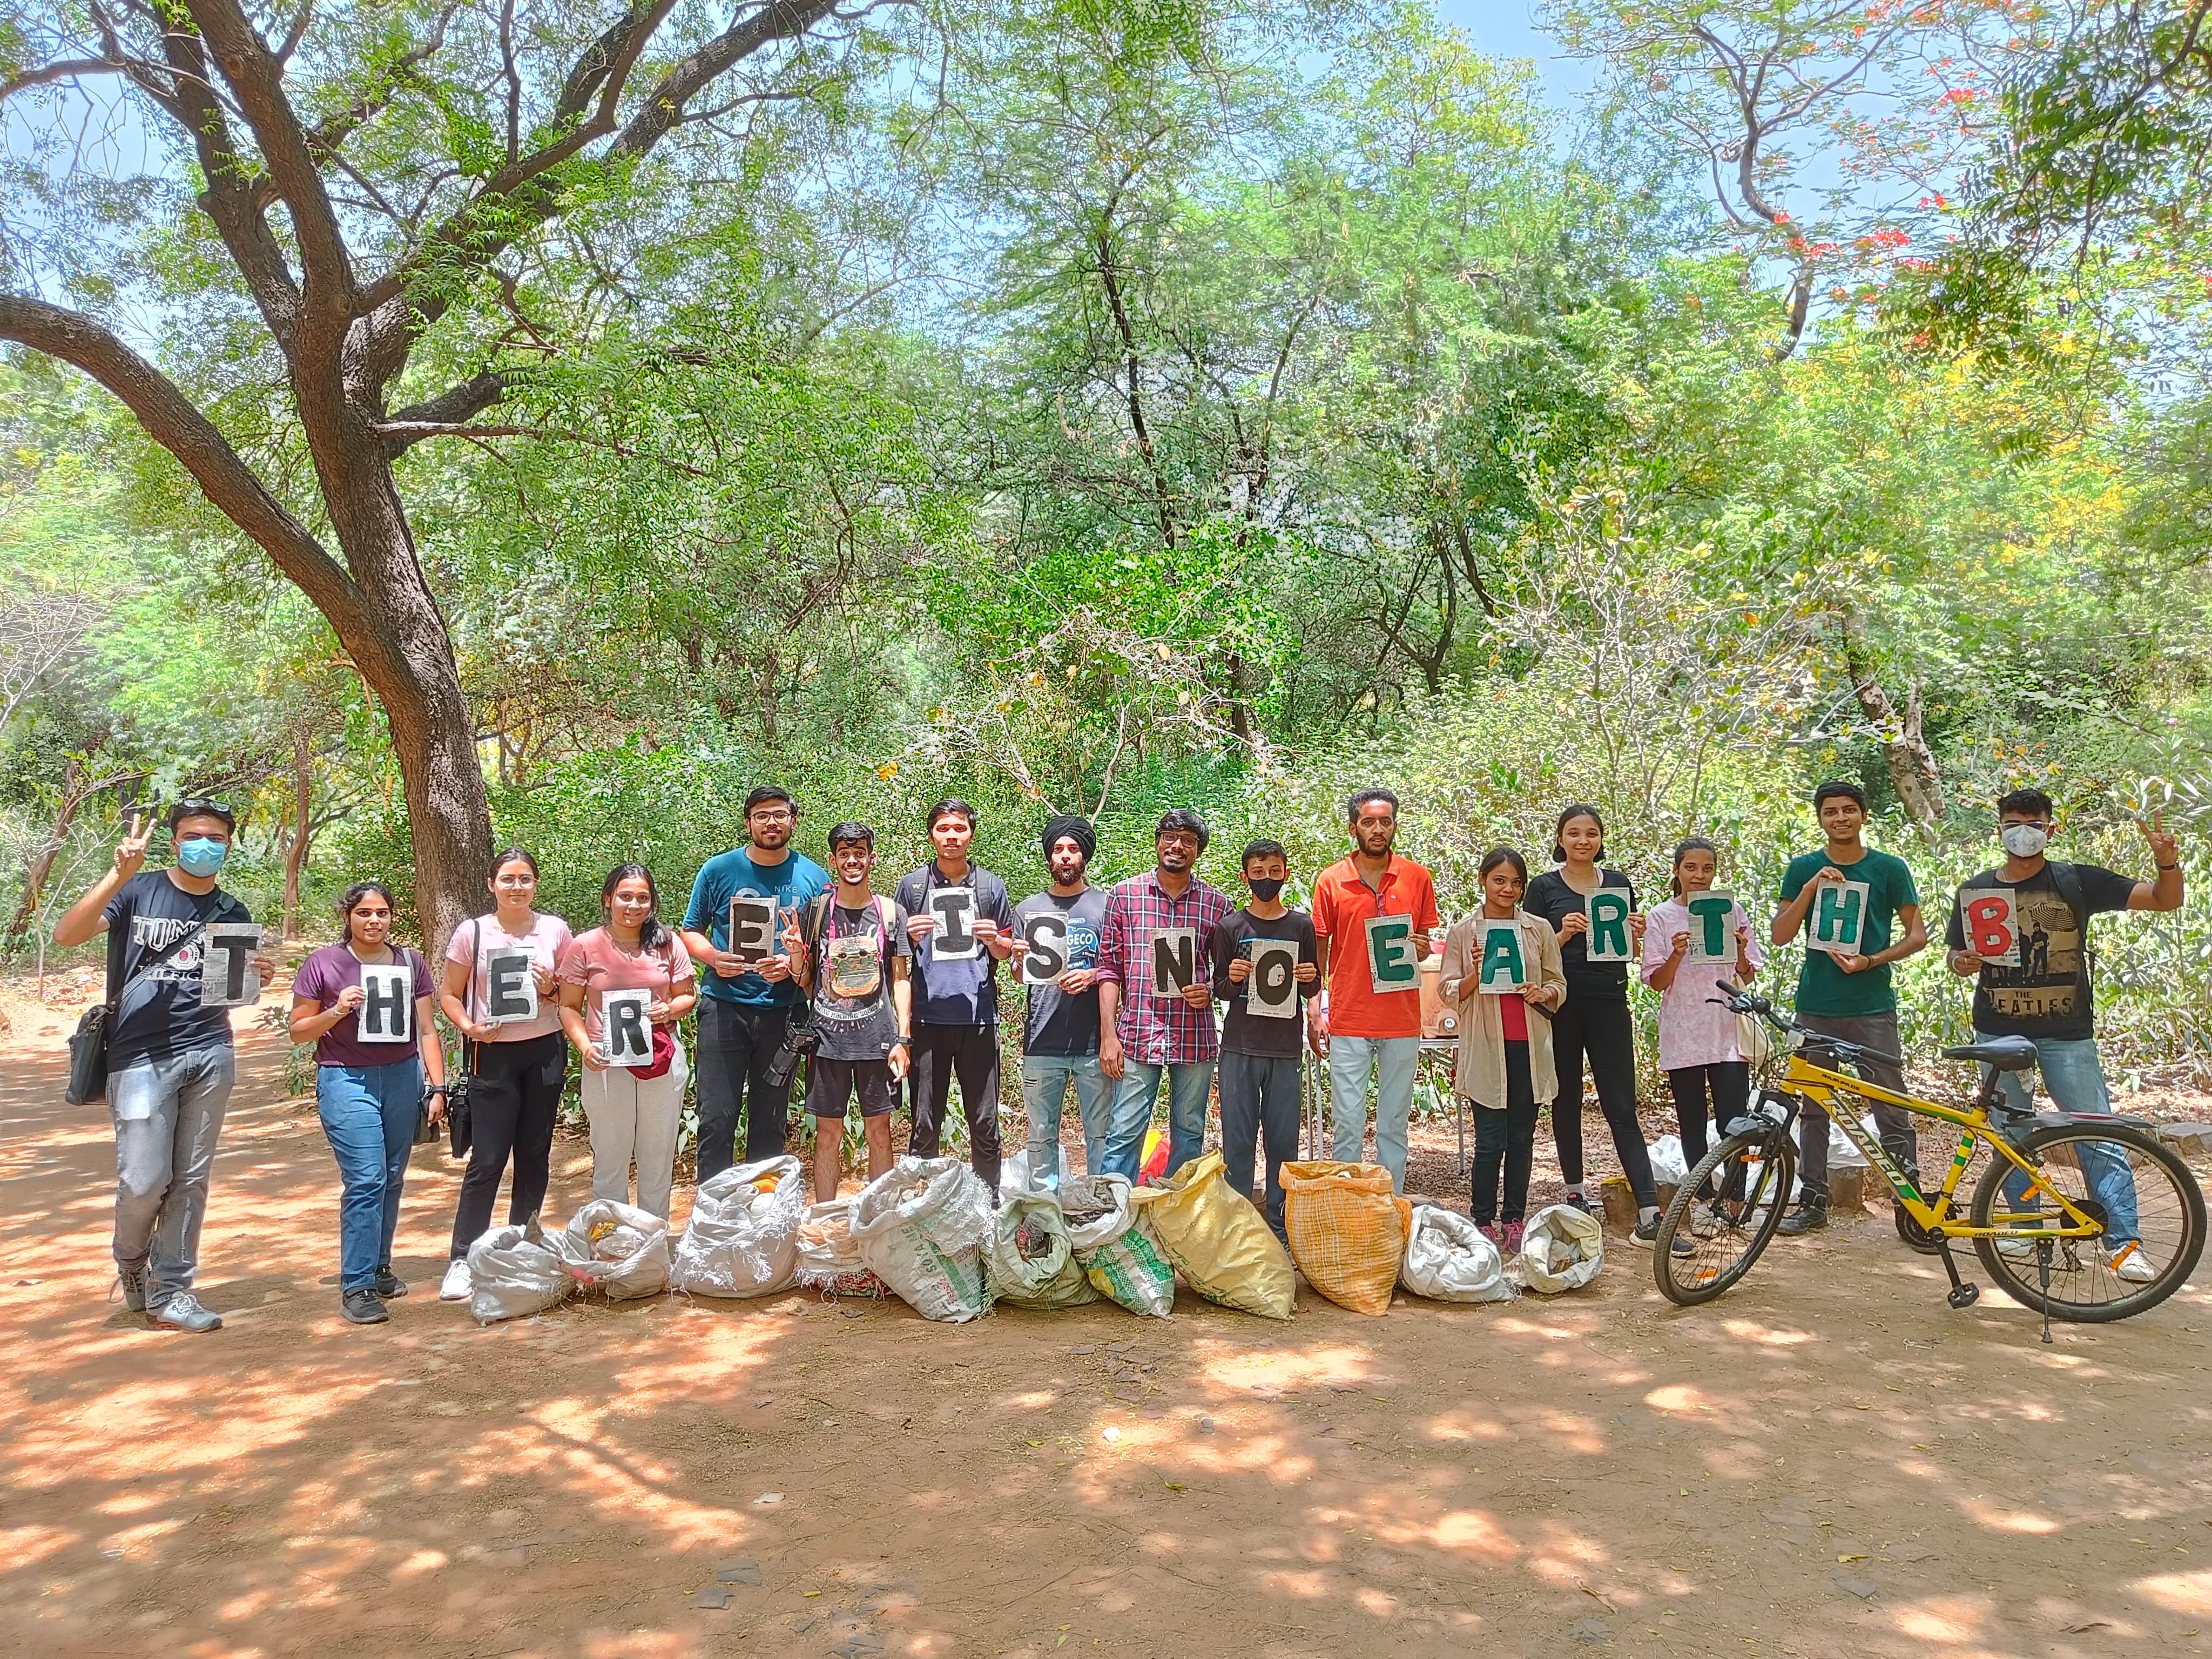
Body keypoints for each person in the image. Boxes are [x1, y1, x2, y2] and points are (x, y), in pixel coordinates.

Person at [52, 799, 275, 1333]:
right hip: (138, 1057)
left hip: (210, 1051)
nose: (205, 844)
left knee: (191, 1180)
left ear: (227, 844)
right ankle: (131, 1261)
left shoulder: (232, 912)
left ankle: (171, 1289)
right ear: (175, 842)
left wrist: (256, 976)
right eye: (194, 835)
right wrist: (117, 873)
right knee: (144, 1179)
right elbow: (67, 935)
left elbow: (229, 992)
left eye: (216, 837)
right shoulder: (138, 889)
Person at [1945, 791, 2185, 1283]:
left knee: (2099, 1135)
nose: (2023, 832)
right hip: (1997, 1031)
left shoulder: (2079, 881)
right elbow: (1957, 956)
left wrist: (2168, 864)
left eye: (2033, 823)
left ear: (2050, 830)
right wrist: (1961, 963)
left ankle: (2123, 1243)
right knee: (2011, 1137)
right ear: (2000, 830)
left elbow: (2167, 901)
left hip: (2067, 1034)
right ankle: (2025, 1225)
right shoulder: (1976, 890)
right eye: (2013, 823)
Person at [1770, 780, 1929, 1235]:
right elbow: (1781, 934)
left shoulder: (1889, 868)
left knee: (1889, 1104)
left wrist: (1870, 961)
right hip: (1816, 1003)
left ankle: (1911, 1204)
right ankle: (1813, 1199)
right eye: (1830, 812)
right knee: (1814, 1106)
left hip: (1872, 1004)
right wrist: (1810, 888)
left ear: (1863, 816)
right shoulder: (1804, 867)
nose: (1840, 818)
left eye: (1848, 810)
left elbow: (1917, 936)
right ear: (1819, 819)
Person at [288, 882, 446, 1324]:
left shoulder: (409, 962)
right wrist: (337, 1010)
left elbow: (428, 1030)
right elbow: (299, 1031)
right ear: (348, 917)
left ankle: (379, 1266)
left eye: (382, 912)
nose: (374, 921)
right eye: (364, 913)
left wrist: (438, 1087)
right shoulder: (324, 963)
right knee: (366, 1177)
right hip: (345, 1077)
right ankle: (355, 1286)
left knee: (392, 1177)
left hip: (402, 1076)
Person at [436, 847, 573, 1299]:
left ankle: (522, 1245)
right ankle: (462, 1258)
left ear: (536, 884)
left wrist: (551, 985)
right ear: (492, 884)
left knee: (534, 1155)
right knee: (489, 1158)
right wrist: (469, 1027)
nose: (517, 887)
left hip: (545, 1051)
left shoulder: (554, 929)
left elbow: (571, 993)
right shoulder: (471, 932)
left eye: (526, 879)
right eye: (508, 879)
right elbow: (450, 994)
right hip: (491, 1054)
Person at [682, 786, 831, 1183]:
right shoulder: (718, 870)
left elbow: (824, 948)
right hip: (724, 1007)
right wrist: (714, 958)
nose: (771, 823)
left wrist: (794, 962)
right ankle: (713, 1212)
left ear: (793, 821)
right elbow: (691, 931)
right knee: (717, 1115)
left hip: (785, 1013)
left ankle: (763, 1215)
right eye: (762, 815)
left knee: (771, 1117)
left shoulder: (815, 877)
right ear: (748, 822)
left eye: (779, 814)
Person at [1525, 804, 1661, 1232]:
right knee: (1564, 1102)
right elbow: (1530, 954)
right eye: (1574, 833)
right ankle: (1574, 1193)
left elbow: (1629, 954)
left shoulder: (1618, 884)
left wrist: (1637, 935)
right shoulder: (1542, 888)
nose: (1583, 841)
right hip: (1562, 1005)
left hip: (1609, 1002)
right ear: (1560, 839)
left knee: (1621, 1105)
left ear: (1601, 840)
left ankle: (1650, 1210)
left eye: (1591, 834)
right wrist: (1562, 932)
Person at [1311, 788, 1440, 1192]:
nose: (1378, 829)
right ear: (1354, 828)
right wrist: (1316, 1009)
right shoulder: (1331, 881)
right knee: (1347, 1121)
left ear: (1395, 826)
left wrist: (1420, 949)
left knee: (1394, 1122)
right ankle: (1349, 1204)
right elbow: (1319, 950)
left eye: (1385, 821)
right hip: (1349, 1017)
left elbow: (1420, 949)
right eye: (1369, 821)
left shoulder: (1417, 878)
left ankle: (1389, 1204)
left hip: (1401, 1019)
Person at [1439, 848, 1566, 1251]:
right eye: (1499, 881)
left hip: (1529, 1046)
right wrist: (1476, 975)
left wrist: (1542, 991)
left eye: (1515, 883)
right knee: (1490, 1139)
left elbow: (1558, 984)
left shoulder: (1539, 929)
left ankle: (1514, 1217)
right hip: (1486, 1046)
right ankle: (1482, 1219)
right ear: (1482, 880)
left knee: (1522, 1137)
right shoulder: (1464, 932)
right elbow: (1447, 990)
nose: (1507, 889)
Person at [1096, 808, 1233, 1181]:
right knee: (1124, 1130)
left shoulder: (1218, 905)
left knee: (1190, 1132)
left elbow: (1229, 974)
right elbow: (1109, 968)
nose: (1177, 846)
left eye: (1188, 841)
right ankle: (1114, 1217)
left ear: (1198, 851)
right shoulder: (1124, 896)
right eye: (1170, 838)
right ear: (1158, 843)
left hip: (1194, 1036)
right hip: (1138, 1033)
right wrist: (1109, 1036)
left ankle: (1177, 1214)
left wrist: (1208, 991)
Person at [556, 865, 698, 1220]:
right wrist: (585, 1047)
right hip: (606, 1061)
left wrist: (668, 1009)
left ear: (651, 904)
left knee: (657, 1155)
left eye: (643, 898)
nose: (633, 905)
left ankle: (652, 1247)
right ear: (608, 899)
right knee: (610, 1157)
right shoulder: (585, 946)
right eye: (625, 896)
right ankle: (612, 1247)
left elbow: (687, 996)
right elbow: (569, 1007)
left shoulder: (668, 942)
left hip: (661, 1058)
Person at [895, 800, 1017, 1190]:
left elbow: (1006, 950)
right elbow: (895, 956)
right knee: (925, 1122)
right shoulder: (913, 886)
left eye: (960, 829)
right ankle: (924, 1205)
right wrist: (909, 935)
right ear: (932, 834)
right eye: (944, 828)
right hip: (927, 1019)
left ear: (971, 833)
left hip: (978, 1017)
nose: (952, 836)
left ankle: (989, 1201)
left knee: (983, 1120)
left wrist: (994, 939)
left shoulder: (989, 886)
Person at [788, 823, 912, 1202]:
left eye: (860, 853)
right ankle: (825, 1216)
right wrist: (795, 952)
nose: (853, 860)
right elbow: (804, 980)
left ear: (872, 858)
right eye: (845, 854)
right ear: (834, 859)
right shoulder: (816, 912)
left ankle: (879, 1220)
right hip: (827, 1044)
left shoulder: (890, 912)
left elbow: (901, 978)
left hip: (878, 1040)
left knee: (880, 1133)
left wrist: (903, 1039)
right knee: (828, 1135)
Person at [1210, 839, 1321, 1239]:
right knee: (1237, 1142)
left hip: (1285, 1047)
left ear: (1286, 874)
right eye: (1258, 873)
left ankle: (1280, 1228)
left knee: (1282, 1143)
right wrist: (1234, 977)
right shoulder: (1229, 928)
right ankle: (1240, 1230)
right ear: (1245, 877)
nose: (1267, 880)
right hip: (1239, 1047)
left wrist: (1310, 981)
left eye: (1274, 872)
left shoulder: (1302, 926)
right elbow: (1219, 988)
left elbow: (1313, 985)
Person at [1642, 838, 1763, 1172]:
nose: (1699, 876)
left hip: (1727, 1031)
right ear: (1677, 871)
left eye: (1707, 869)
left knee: (1735, 1122)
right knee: (1691, 1121)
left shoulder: (1731, 911)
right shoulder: (1662, 916)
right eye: (1691, 868)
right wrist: (1676, 953)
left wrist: (1739, 948)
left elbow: (1747, 975)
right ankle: (1702, 1200)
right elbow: (1656, 982)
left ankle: (1735, 1198)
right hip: (1684, 1031)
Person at [1010, 815, 1110, 1189]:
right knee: (1040, 1138)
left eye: (1073, 849)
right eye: (1058, 850)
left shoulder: (1107, 905)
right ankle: (1045, 1217)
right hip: (1042, 1041)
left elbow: (1122, 967)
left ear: (1084, 856)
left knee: (1100, 1135)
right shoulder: (1027, 910)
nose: (1065, 857)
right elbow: (1020, 977)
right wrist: (1017, 961)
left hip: (1094, 1043)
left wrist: (1093, 974)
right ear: (1049, 857)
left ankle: (1102, 1211)